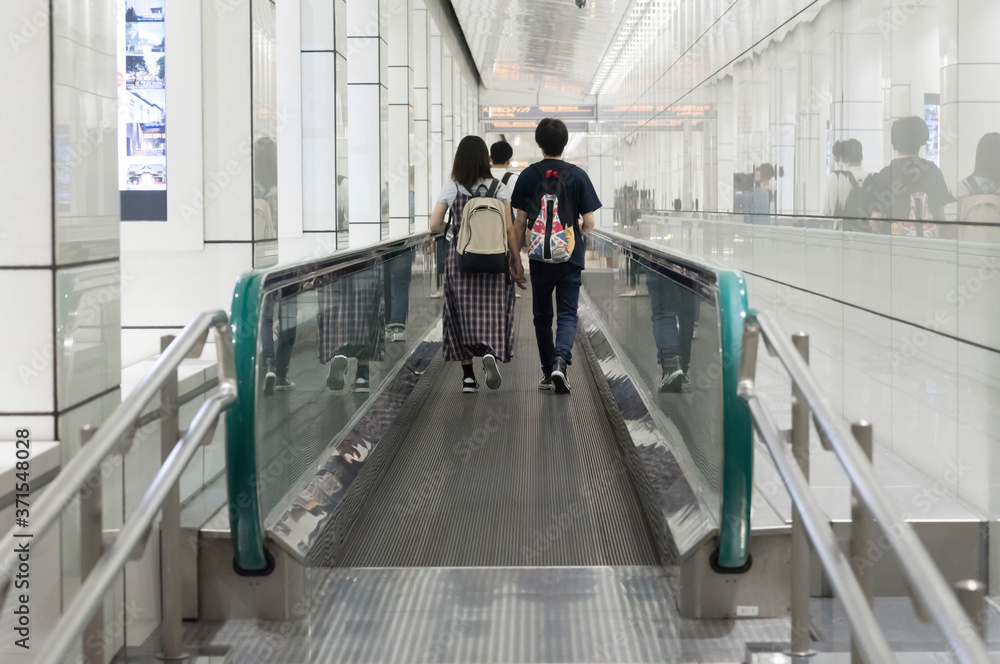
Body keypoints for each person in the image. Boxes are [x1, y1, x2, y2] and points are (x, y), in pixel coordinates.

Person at [428, 135, 525, 393]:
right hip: (495, 260)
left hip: (460, 260)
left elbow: (434, 224)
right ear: (485, 159)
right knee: (493, 308)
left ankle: (468, 377)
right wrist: (516, 260)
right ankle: (490, 352)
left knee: (459, 313)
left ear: (459, 159)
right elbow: (509, 229)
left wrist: (453, 229)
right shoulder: (499, 189)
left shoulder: (452, 187)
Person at [511, 118, 602, 394]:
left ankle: (546, 370)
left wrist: (516, 260)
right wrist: (578, 234)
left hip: (539, 258)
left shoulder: (528, 176)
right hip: (570, 257)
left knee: (542, 315)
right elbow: (589, 222)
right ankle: (560, 362)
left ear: (539, 144)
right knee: (567, 312)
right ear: (564, 143)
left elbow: (519, 223)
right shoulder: (578, 175)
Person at [863, 116, 953, 235]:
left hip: (895, 242)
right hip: (929, 243)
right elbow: (940, 217)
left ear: (894, 142)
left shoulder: (885, 174)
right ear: (922, 140)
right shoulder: (933, 171)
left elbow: (875, 219)